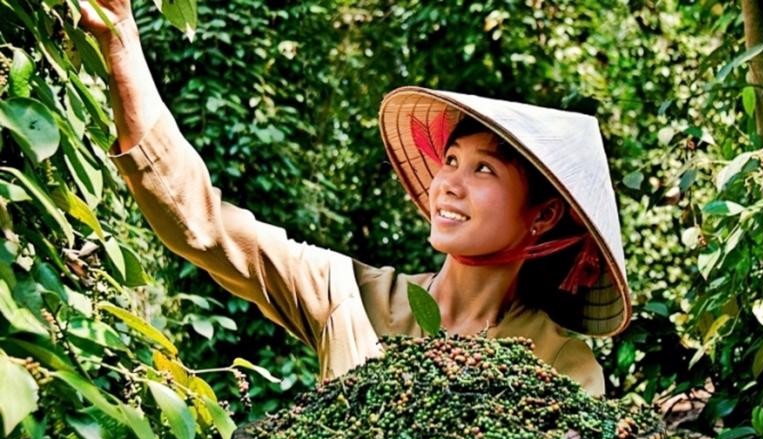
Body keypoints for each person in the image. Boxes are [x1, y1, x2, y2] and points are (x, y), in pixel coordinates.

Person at [80, 1, 632, 397]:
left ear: (544, 215)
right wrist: (120, 40)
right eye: (450, 160)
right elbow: (203, 226)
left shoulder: (561, 367)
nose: (449, 183)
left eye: (483, 169)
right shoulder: (350, 297)